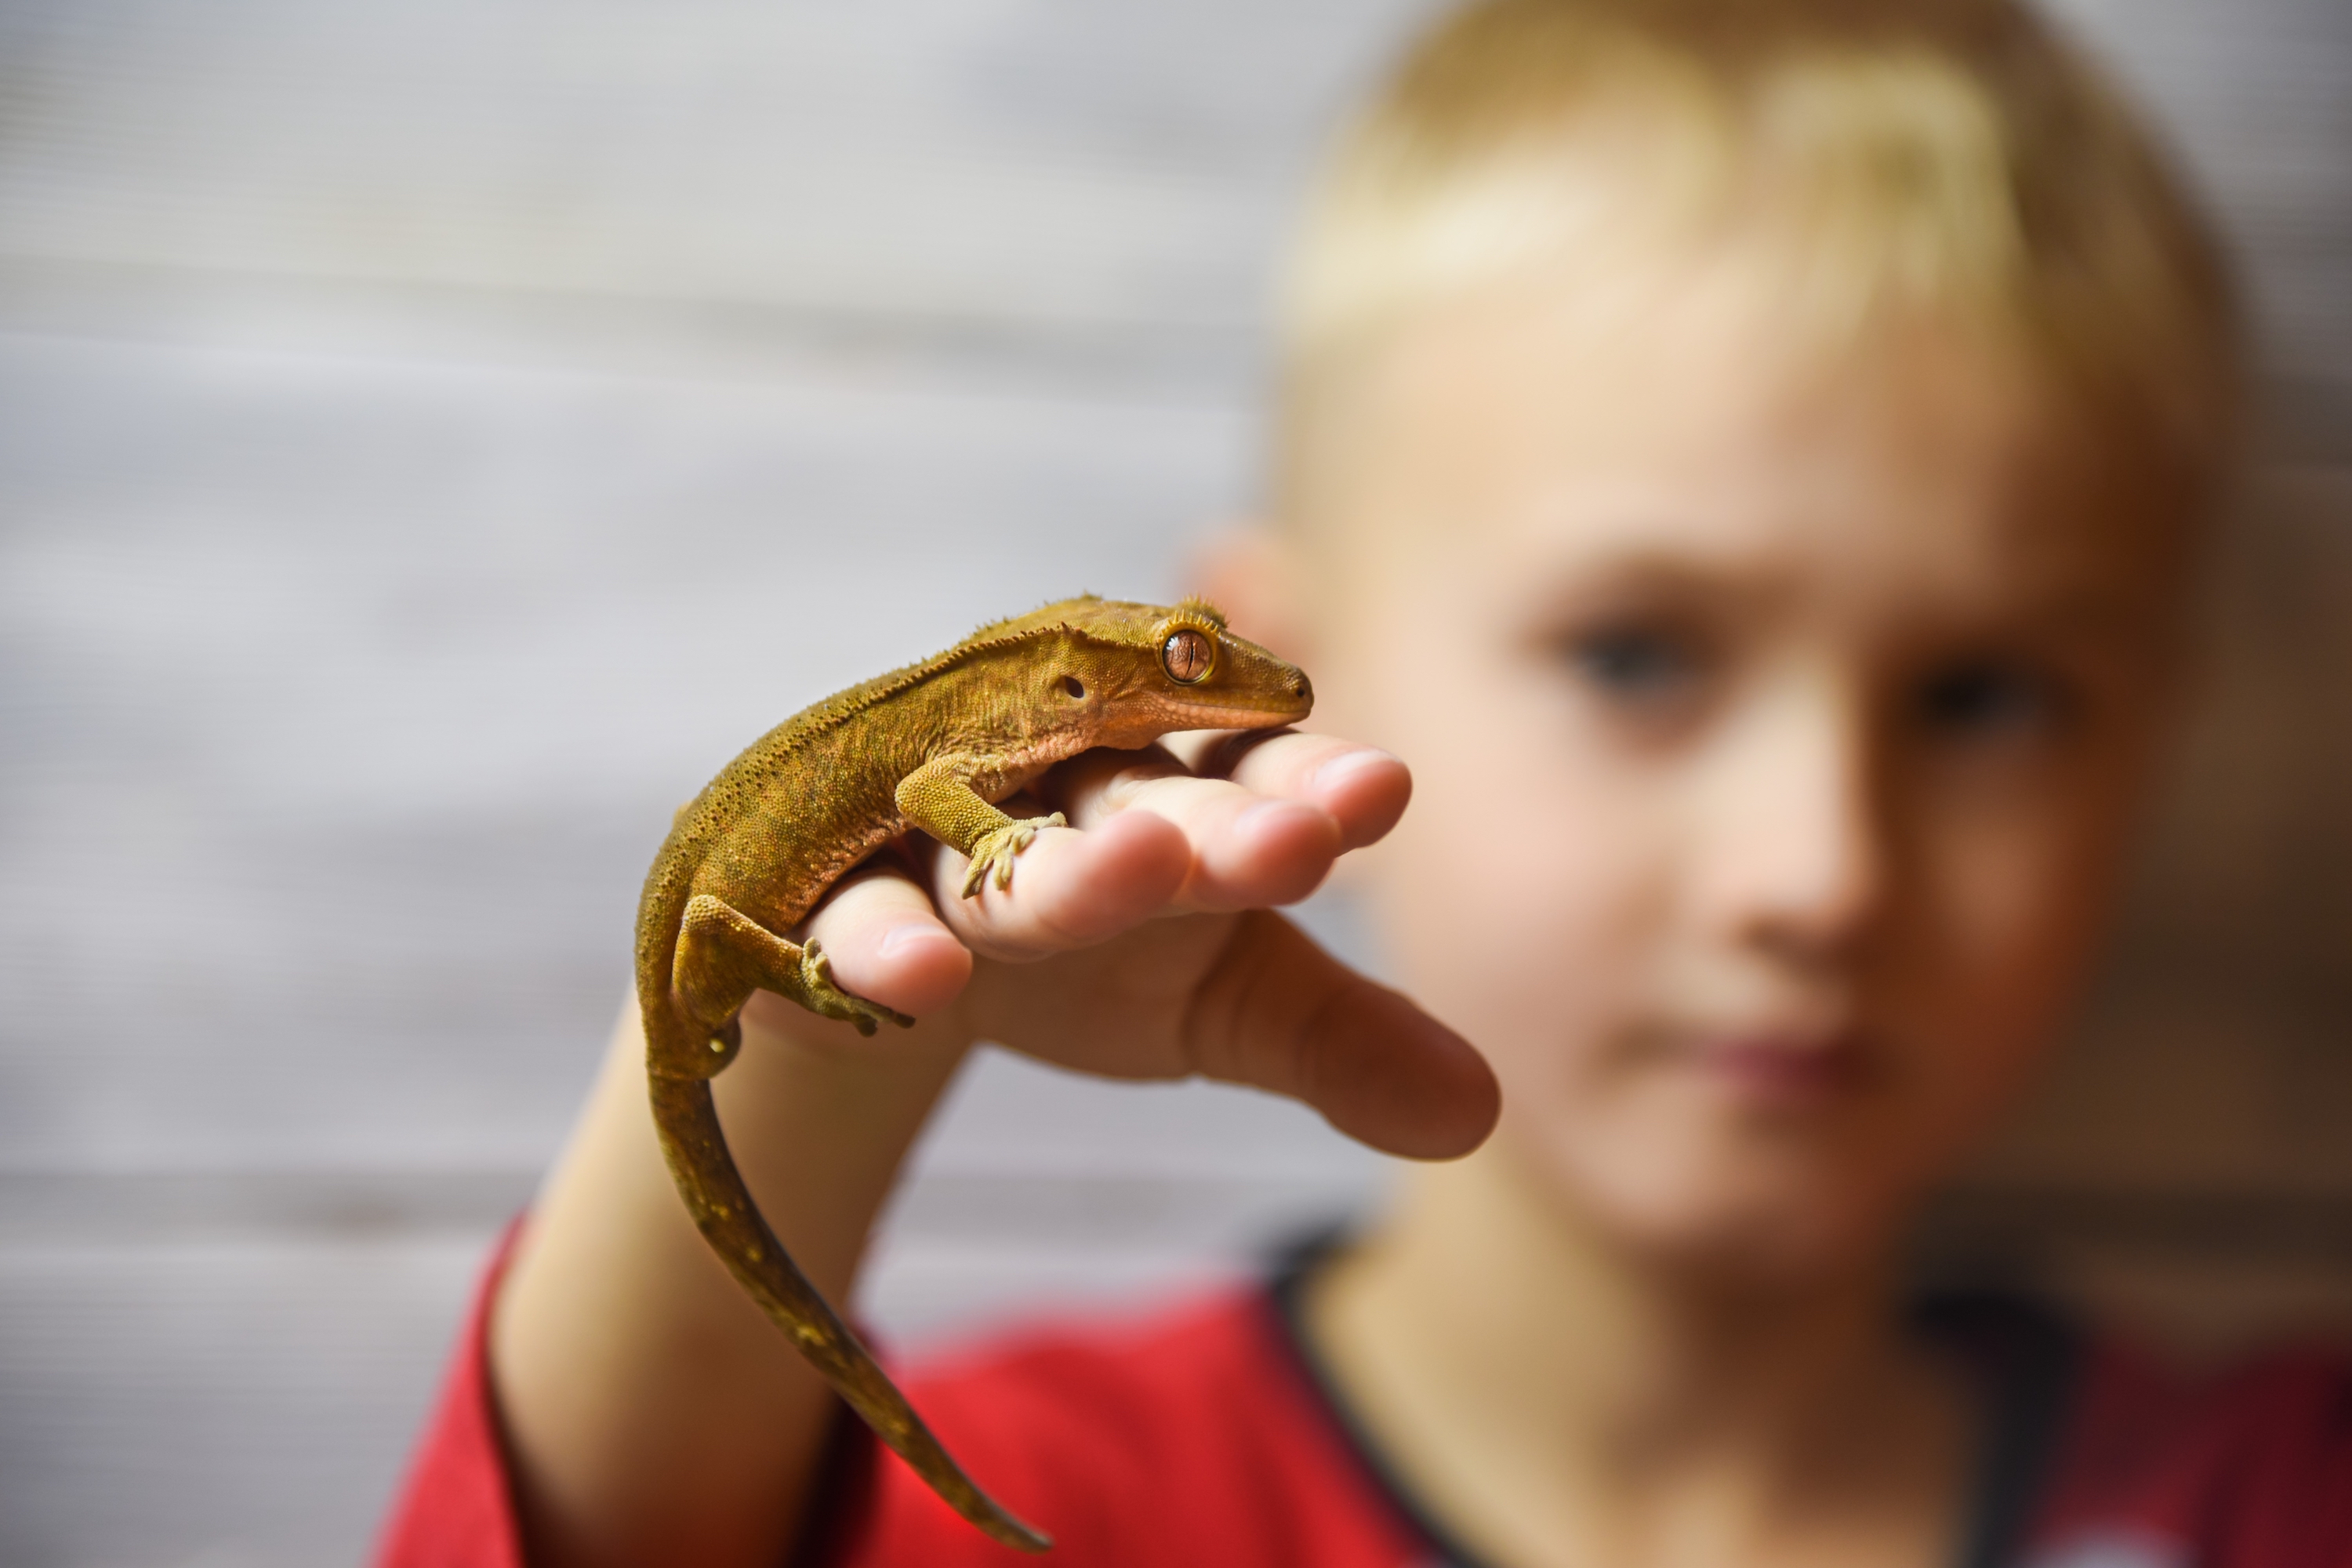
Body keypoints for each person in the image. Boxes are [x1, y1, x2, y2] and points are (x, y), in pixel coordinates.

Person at [378, 2, 2348, 1564]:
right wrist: (828, 1045)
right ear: (1264, 686)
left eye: (1989, 693)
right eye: (1638, 653)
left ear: (2157, 733)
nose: (1816, 875)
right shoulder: (1057, 1492)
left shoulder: (2277, 1496)